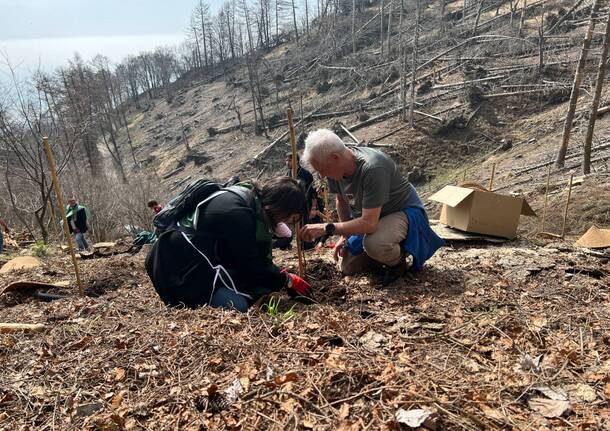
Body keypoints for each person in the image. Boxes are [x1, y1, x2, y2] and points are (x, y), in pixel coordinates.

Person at [300, 129, 444, 286]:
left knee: (375, 244)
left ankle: (399, 261)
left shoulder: (373, 168)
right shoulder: (335, 169)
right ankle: (383, 255)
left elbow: (369, 224)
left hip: (403, 213)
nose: (321, 176)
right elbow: (341, 201)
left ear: (335, 158)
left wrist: (327, 228)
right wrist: (345, 235)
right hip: (373, 218)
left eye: (322, 170)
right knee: (348, 266)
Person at [145, 177, 312, 312]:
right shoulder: (237, 213)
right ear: (280, 207)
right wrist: (286, 279)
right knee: (239, 304)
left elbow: (254, 258)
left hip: (195, 260)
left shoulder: (250, 198)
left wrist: (278, 277)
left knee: (252, 292)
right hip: (177, 269)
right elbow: (250, 266)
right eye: (288, 218)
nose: (286, 224)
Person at [285, 152, 325, 249]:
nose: (287, 163)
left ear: (296, 161)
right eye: (286, 160)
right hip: (295, 206)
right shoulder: (288, 174)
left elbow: (313, 193)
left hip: (306, 205)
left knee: (306, 225)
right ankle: (300, 245)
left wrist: (313, 208)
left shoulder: (305, 174)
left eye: (289, 160)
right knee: (297, 226)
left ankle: (308, 246)